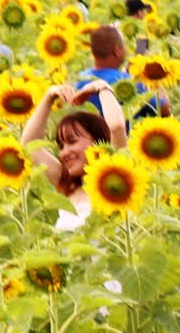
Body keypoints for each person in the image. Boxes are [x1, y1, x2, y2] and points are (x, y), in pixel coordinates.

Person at [19, 82, 127, 231]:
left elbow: (117, 127)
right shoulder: (67, 184)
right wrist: (49, 96)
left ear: (97, 141)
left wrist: (102, 88)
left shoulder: (117, 178)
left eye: (71, 141)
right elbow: (30, 146)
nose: (64, 153)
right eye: (61, 146)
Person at [77, 25, 163, 119]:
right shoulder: (129, 82)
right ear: (116, 50)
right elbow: (163, 109)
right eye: (123, 46)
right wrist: (155, 76)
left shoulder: (80, 78)